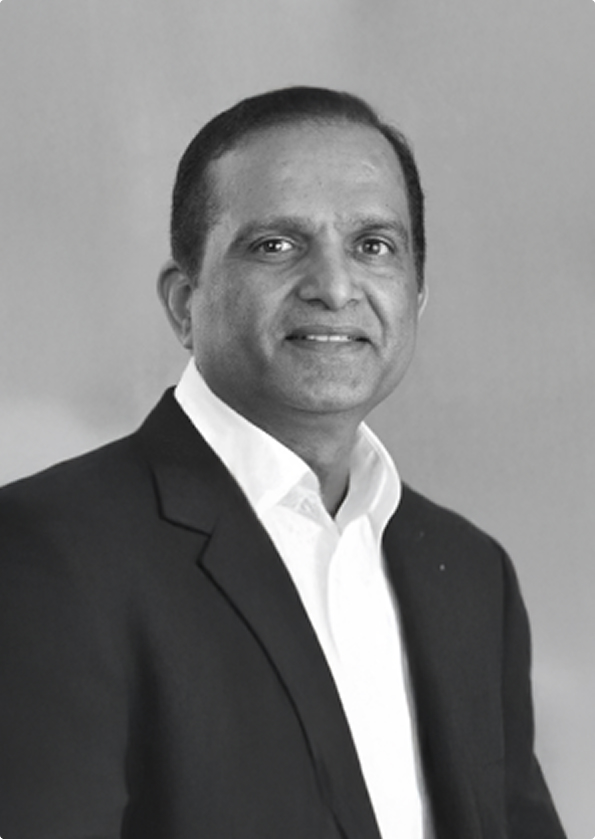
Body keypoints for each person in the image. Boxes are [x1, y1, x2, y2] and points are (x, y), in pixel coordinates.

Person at [0, 86, 566, 839]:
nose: (334, 287)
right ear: (182, 302)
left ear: (416, 295)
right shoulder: (48, 547)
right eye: (276, 245)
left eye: (374, 246)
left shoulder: (468, 572)